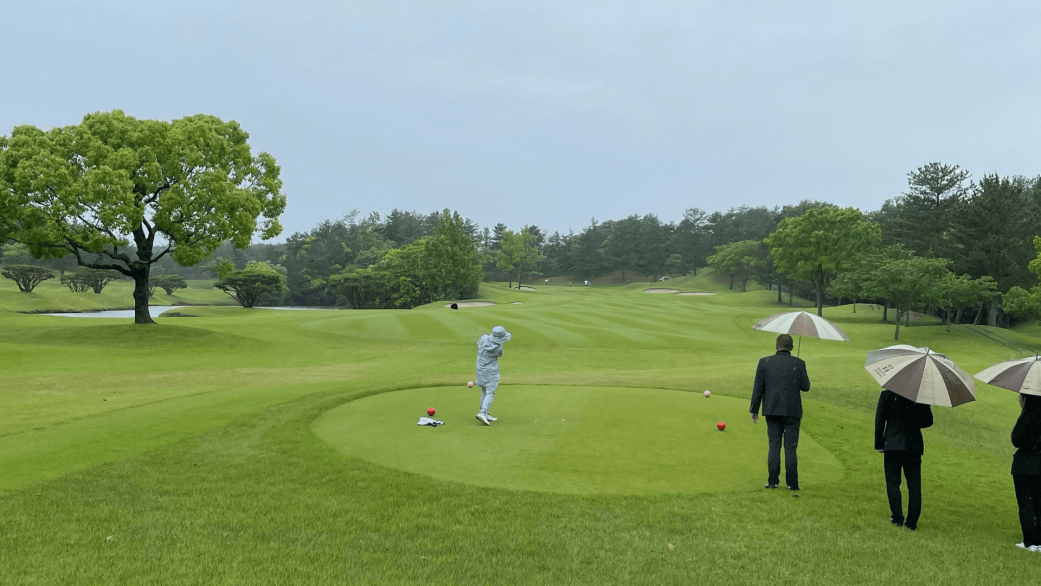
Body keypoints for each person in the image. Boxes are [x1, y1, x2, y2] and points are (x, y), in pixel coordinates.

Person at [750, 334, 810, 490]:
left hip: (772, 409)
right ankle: (792, 484)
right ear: (791, 347)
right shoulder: (799, 363)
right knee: (790, 447)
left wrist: (754, 409)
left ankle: (773, 481)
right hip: (792, 410)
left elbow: (758, 388)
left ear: (777, 345)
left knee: (774, 445)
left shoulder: (765, 362)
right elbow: (806, 386)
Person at [874, 389, 933, 531]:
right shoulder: (920, 396)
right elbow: (927, 421)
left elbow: (880, 419)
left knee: (893, 483)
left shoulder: (888, 395)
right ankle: (912, 521)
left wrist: (879, 443)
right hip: (913, 446)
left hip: (893, 444)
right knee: (914, 486)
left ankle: (897, 517)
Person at [1012, 393, 1041, 551]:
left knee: (1026, 504)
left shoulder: (1026, 418)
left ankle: (1030, 541)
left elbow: (1016, 440)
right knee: (1038, 503)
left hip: (1024, 466)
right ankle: (1039, 540)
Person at [475, 325, 511, 426]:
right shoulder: (499, 348)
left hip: (480, 368)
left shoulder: (483, 339)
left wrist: (486, 339)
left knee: (484, 390)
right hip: (490, 371)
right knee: (490, 392)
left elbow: (481, 343)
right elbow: (500, 354)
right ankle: (482, 412)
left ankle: (485, 413)